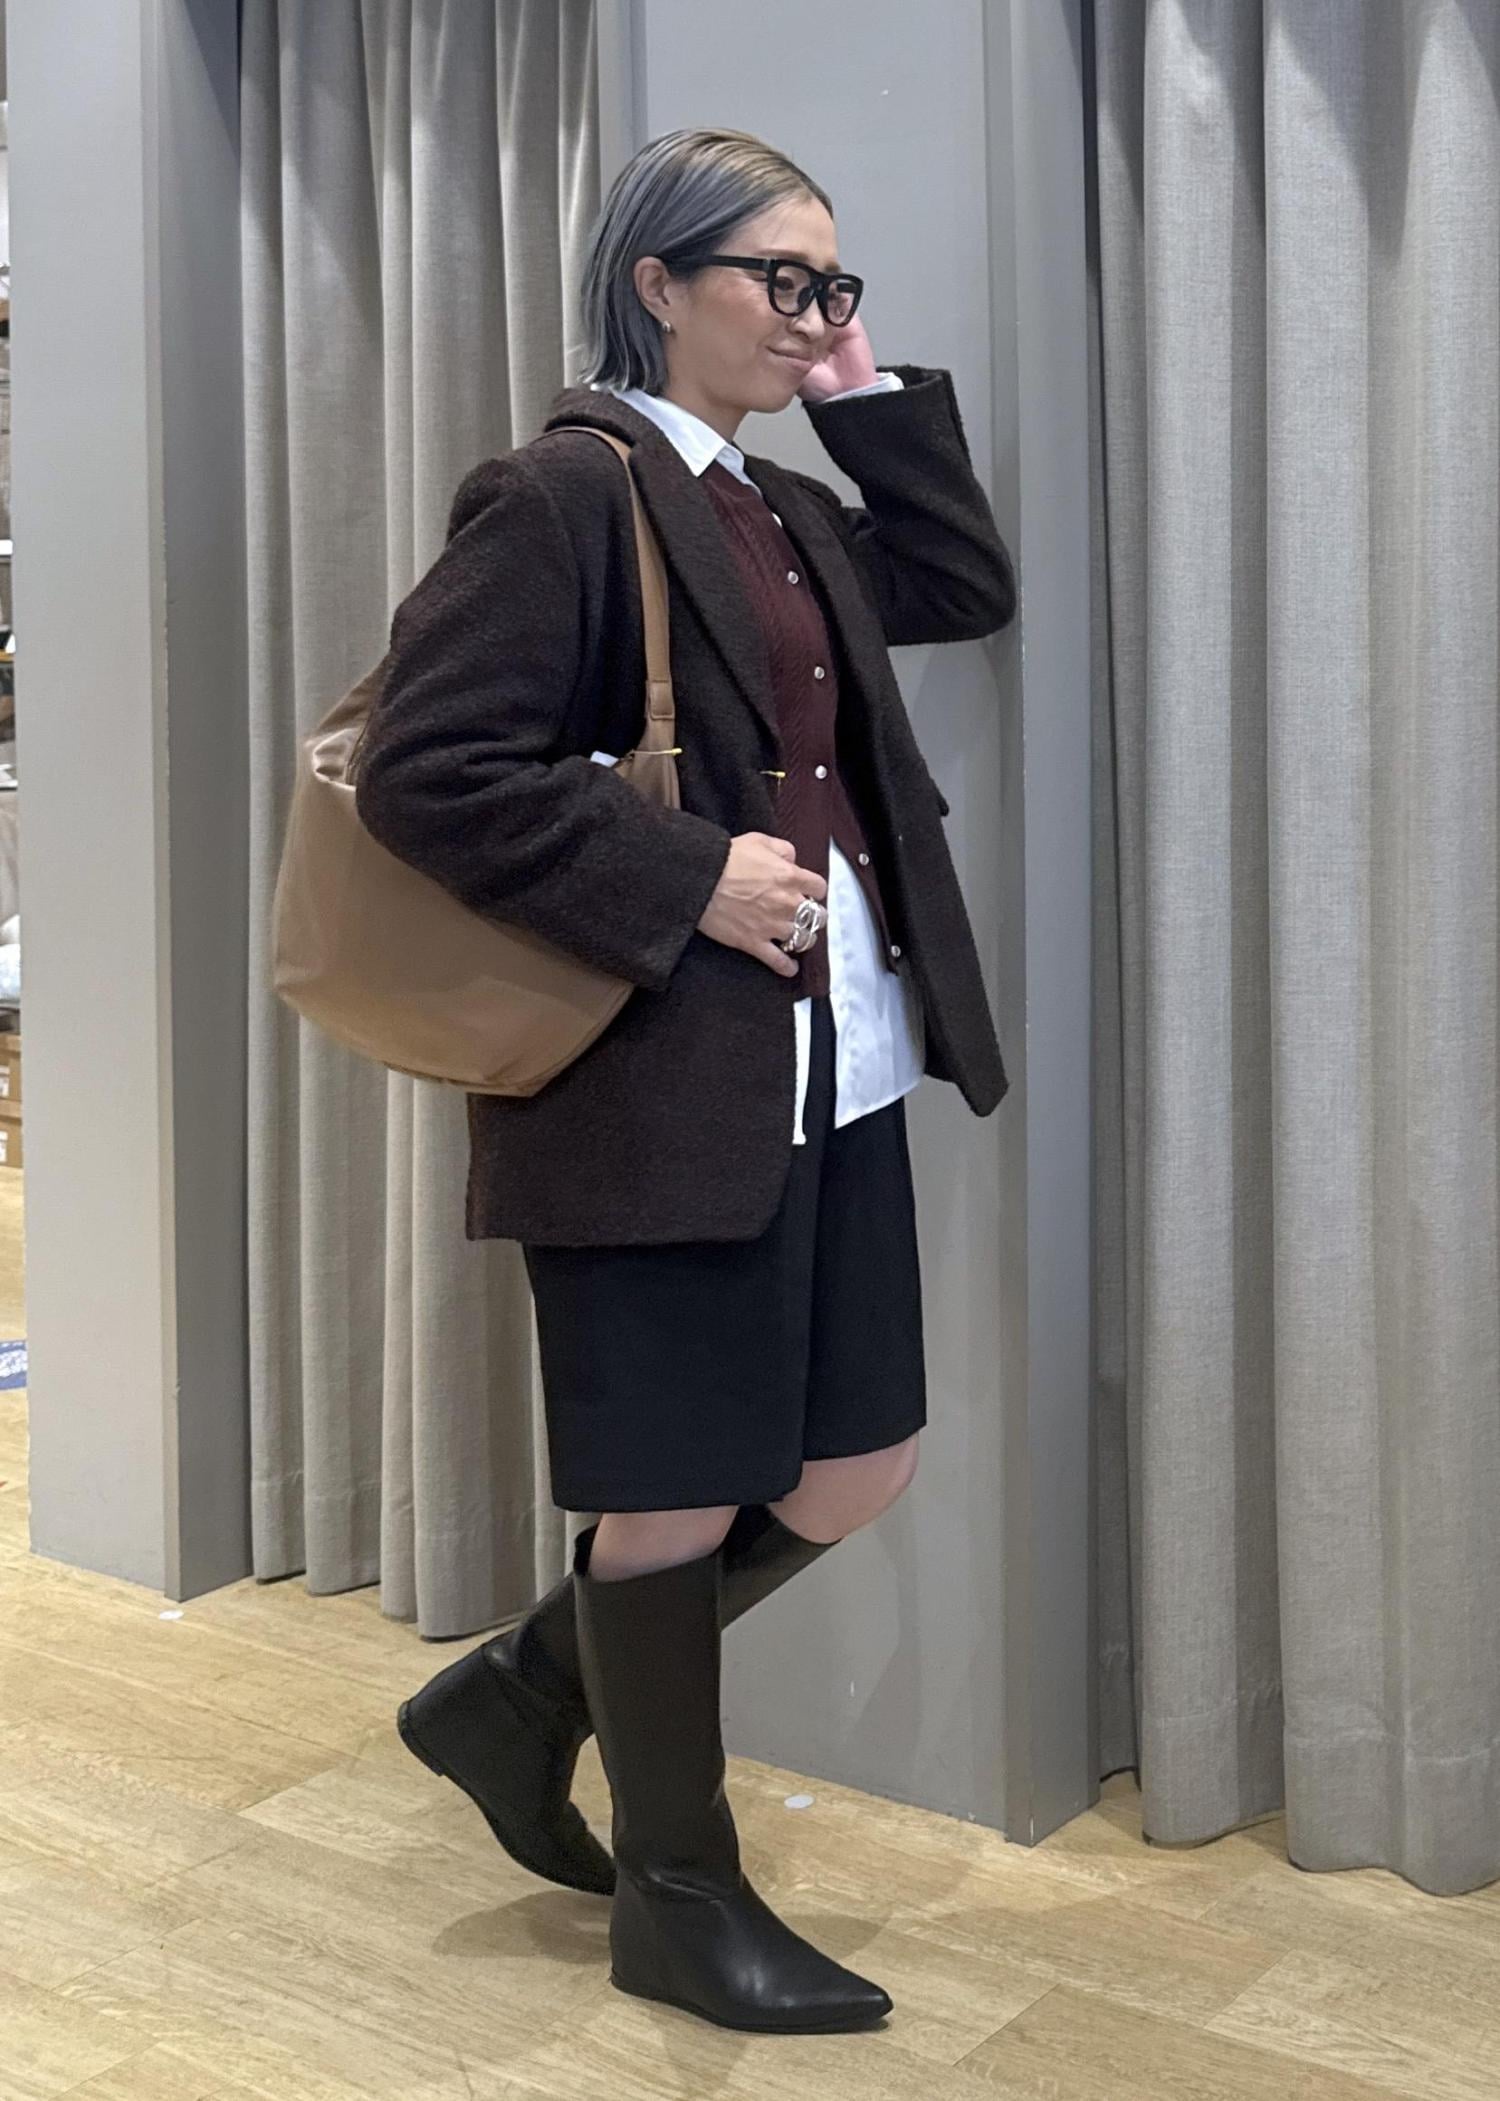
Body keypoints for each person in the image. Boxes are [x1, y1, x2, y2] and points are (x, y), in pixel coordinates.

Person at [352, 126, 1016, 2036]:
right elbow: (425, 770)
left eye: (834, 284)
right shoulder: (562, 493)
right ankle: (679, 1892)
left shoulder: (780, 503)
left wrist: (862, 393)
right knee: (668, 1502)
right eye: (780, 281)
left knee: (856, 1463)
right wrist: (685, 874)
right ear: (657, 283)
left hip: (835, 1059)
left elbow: (957, 579)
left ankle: (519, 1694)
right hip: (654, 1081)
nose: (812, 313)